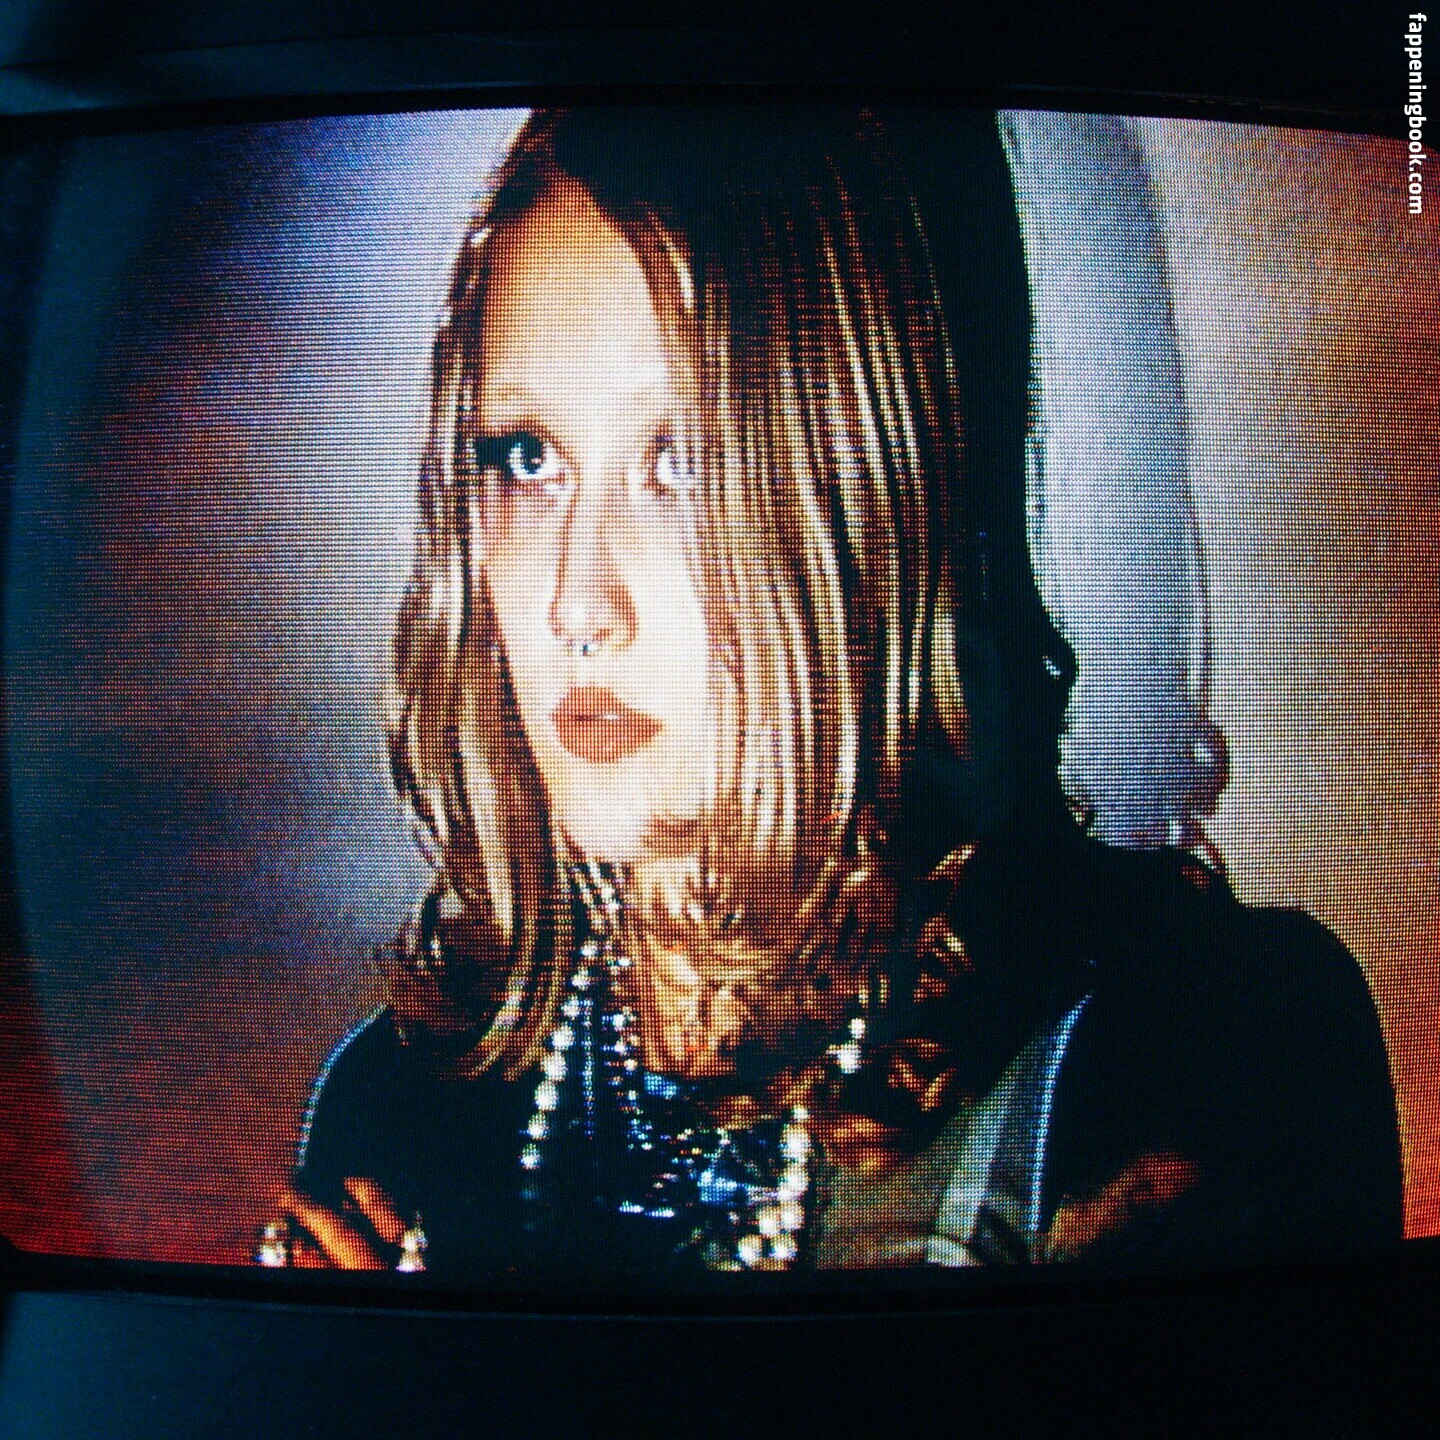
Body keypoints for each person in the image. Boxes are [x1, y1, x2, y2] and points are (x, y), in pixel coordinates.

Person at [270, 107, 1402, 1280]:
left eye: (683, 463)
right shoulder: (402, 1114)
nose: (576, 603)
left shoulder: (1187, 1058)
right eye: (528, 458)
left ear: (879, 499)